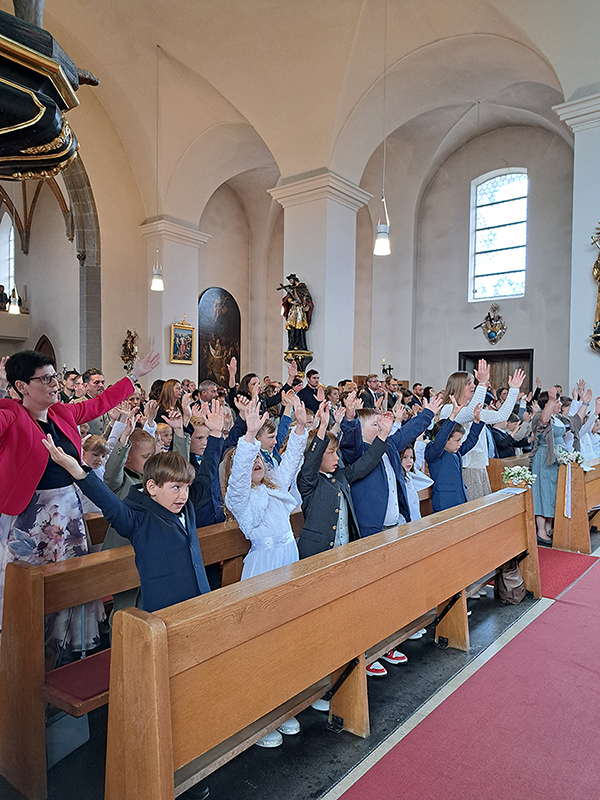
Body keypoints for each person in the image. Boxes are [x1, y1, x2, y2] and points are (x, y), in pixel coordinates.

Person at [0, 347, 159, 661]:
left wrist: (134, 375)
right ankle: (25, 655)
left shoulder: (62, 413)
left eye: (55, 376)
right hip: (31, 514)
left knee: (69, 581)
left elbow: (101, 403)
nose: (55, 384)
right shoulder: (11, 413)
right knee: (29, 585)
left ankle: (62, 652)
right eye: (45, 379)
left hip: (68, 510)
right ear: (22, 386)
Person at [223, 397, 308, 748]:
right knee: (262, 640)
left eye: (260, 457)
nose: (256, 462)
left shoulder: (274, 487)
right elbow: (240, 475)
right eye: (250, 460)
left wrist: (300, 426)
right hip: (264, 567)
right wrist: (249, 436)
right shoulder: (240, 499)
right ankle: (259, 716)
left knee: (287, 635)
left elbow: (290, 461)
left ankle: (284, 706)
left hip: (288, 560)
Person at [530, 386, 590, 546]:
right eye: (557, 402)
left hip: (557, 459)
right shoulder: (539, 417)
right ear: (547, 404)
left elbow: (576, 422)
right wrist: (551, 400)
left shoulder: (559, 418)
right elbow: (543, 421)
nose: (560, 405)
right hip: (544, 459)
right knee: (543, 493)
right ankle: (541, 531)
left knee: (553, 494)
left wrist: (585, 403)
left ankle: (549, 528)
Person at [425, 399, 484, 512]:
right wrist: (452, 416)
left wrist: (476, 421)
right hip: (444, 503)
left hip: (459, 500)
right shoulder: (434, 453)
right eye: (457, 440)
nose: (460, 443)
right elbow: (440, 439)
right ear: (445, 440)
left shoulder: (456, 452)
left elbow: (470, 441)